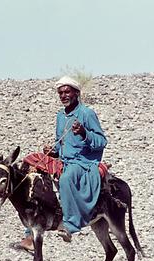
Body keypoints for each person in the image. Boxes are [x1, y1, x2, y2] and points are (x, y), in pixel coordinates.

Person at [20, 76, 107, 251]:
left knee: (66, 178)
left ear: (76, 93)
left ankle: (70, 225)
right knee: (30, 162)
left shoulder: (87, 113)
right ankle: (30, 231)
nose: (64, 95)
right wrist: (53, 152)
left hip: (82, 162)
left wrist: (84, 133)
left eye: (67, 91)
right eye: (60, 93)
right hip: (64, 159)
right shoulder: (61, 116)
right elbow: (61, 145)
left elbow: (101, 141)